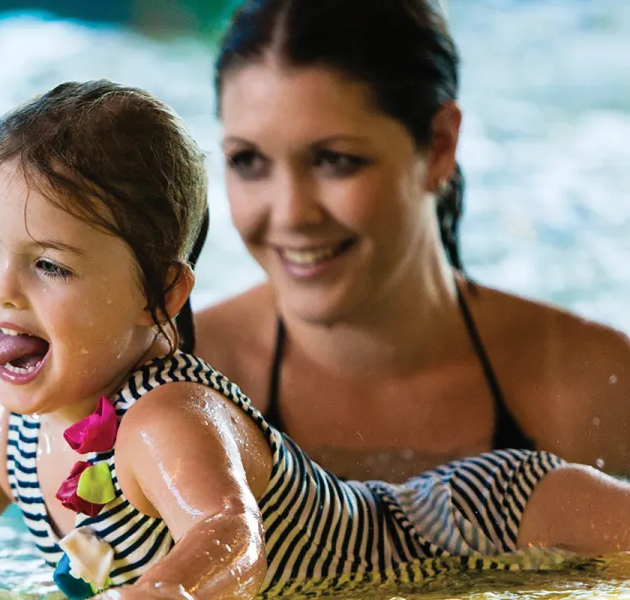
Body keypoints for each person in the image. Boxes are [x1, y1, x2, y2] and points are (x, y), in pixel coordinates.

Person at [0, 80, 630, 600]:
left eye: (51, 265)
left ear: (161, 295)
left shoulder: (170, 418)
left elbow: (229, 537)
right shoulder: (1, 429)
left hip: (481, 524)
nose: (1, 290)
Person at [194, 0, 630, 484]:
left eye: (335, 160)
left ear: (440, 146)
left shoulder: (599, 392)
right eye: (248, 161)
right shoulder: (181, 382)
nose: (292, 213)